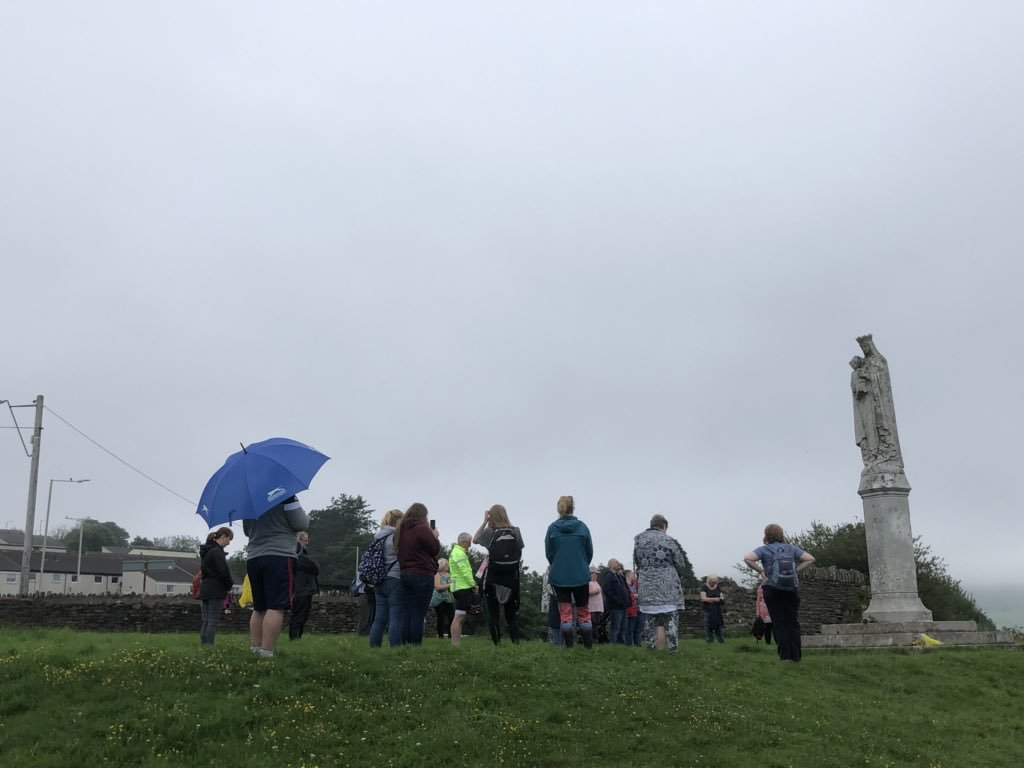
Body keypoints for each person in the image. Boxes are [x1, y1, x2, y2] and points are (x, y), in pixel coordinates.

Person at [244, 495, 309, 658]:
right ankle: (266, 654)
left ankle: (255, 650)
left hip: (254, 557)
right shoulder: (287, 495)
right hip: (280, 556)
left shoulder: (250, 499)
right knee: (276, 607)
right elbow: (301, 524)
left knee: (259, 607)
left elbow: (247, 531)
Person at [744, 523, 815, 662]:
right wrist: (795, 571)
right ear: (781, 534)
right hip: (791, 588)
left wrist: (761, 571)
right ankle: (797, 657)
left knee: (779, 623)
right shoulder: (791, 549)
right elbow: (810, 559)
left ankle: (785, 657)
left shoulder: (764, 550)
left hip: (771, 588)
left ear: (766, 535)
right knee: (793, 622)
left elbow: (748, 558)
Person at [545, 495, 594, 649]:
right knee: (584, 613)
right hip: (580, 575)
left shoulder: (552, 528)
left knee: (565, 615)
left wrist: (558, 564)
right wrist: (581, 564)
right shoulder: (583, 527)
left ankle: (569, 649)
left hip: (559, 576)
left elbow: (549, 553)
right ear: (573, 508)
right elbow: (589, 552)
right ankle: (588, 648)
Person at [633, 514, 687, 653]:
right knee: (670, 620)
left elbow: (637, 562)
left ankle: (650, 649)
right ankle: (673, 650)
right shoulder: (668, 540)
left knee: (650, 621)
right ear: (664, 526)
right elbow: (680, 563)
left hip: (647, 586)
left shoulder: (639, 541)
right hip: (667, 587)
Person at [474, 504, 524, 645]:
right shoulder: (516, 531)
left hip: (493, 576)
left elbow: (475, 539)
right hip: (511, 578)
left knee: (494, 613)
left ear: (492, 516)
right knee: (511, 614)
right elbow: (519, 552)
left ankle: (497, 645)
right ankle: (516, 644)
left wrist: (484, 521)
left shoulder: (490, 531)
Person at [395, 502, 441, 646]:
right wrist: (435, 536)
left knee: (406, 612)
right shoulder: (422, 528)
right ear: (423, 515)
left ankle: (405, 644)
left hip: (404, 573)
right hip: (422, 573)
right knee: (418, 613)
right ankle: (415, 645)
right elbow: (434, 549)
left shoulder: (400, 530)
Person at [369, 509, 404, 648]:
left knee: (379, 618)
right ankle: (396, 648)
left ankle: (374, 647)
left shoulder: (378, 537)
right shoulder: (396, 537)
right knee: (396, 616)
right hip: (395, 577)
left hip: (379, 578)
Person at [198, 527, 234, 646]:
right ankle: (209, 646)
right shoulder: (217, 552)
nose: (229, 543)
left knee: (206, 620)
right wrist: (229, 584)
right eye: (229, 539)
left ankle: (204, 645)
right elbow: (223, 571)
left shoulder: (206, 551)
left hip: (205, 588)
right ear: (223, 536)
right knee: (213, 621)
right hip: (216, 589)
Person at [448, 532, 478, 647]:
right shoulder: (459, 553)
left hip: (459, 587)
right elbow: (465, 571)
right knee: (459, 617)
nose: (470, 545)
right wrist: (473, 584)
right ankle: (455, 644)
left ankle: (456, 643)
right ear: (463, 542)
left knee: (461, 617)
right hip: (462, 587)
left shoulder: (456, 552)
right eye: (469, 542)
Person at [289, 532, 319, 640]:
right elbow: (315, 567)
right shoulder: (298, 555)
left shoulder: (300, 554)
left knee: (302, 615)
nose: (307, 543)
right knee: (299, 616)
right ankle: (294, 638)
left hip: (303, 589)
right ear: (299, 541)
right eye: (305, 540)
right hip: (301, 589)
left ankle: (297, 637)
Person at [602, 559, 630, 644]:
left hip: (624, 606)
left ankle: (621, 646)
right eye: (616, 562)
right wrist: (617, 601)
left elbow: (626, 589)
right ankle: (614, 646)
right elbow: (607, 591)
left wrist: (628, 602)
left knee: (624, 628)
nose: (619, 563)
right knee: (616, 628)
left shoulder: (620, 576)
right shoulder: (609, 576)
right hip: (615, 607)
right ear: (610, 565)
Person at [430, 558, 455, 639]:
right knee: (440, 618)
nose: (448, 566)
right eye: (446, 564)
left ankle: (450, 635)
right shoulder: (437, 575)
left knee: (451, 617)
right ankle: (440, 636)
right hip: (439, 600)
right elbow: (438, 587)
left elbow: (453, 587)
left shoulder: (451, 575)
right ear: (441, 565)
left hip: (449, 599)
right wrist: (449, 585)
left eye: (448, 564)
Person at [699, 574, 726, 645]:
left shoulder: (718, 587)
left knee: (718, 625)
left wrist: (711, 600)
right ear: (709, 581)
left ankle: (721, 641)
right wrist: (714, 599)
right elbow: (703, 598)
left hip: (717, 610)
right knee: (708, 625)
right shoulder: (704, 587)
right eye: (712, 583)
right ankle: (709, 642)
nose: (713, 584)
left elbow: (722, 599)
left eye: (715, 583)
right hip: (707, 610)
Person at [625, 570, 643, 647]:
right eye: (633, 574)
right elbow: (625, 595)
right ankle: (629, 645)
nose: (634, 575)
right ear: (628, 575)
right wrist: (633, 596)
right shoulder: (625, 585)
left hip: (640, 608)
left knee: (639, 629)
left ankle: (638, 645)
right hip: (631, 610)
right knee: (630, 629)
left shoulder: (636, 584)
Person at [588, 568, 605, 642]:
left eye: (597, 574)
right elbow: (586, 593)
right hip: (592, 608)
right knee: (593, 623)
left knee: (597, 624)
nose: (596, 575)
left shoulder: (596, 583)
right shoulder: (588, 582)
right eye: (595, 574)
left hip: (598, 607)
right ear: (591, 574)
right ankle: (592, 639)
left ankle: (595, 639)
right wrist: (595, 592)